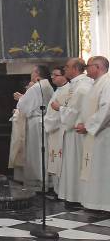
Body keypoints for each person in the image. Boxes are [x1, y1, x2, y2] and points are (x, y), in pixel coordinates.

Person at [56, 58, 93, 204]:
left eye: (67, 66)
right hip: (73, 130)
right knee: (72, 164)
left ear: (75, 69)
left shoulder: (82, 87)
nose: (65, 69)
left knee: (76, 165)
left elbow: (73, 112)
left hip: (77, 132)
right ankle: (73, 196)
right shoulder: (77, 85)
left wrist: (59, 108)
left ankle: (76, 197)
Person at [10, 65, 53, 187]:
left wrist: (20, 98)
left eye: (32, 72)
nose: (31, 74)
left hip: (35, 124)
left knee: (35, 153)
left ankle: (36, 182)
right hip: (44, 121)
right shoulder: (48, 86)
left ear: (37, 73)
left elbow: (24, 106)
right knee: (42, 152)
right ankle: (45, 181)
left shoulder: (36, 87)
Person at [77, 56, 110, 211]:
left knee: (103, 169)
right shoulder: (96, 83)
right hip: (96, 134)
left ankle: (104, 205)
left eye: (88, 66)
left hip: (104, 135)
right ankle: (96, 203)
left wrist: (89, 126)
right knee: (96, 169)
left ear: (97, 67)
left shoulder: (107, 82)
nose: (85, 69)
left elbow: (106, 108)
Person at [44, 66, 69, 191]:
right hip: (53, 130)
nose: (52, 77)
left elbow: (61, 113)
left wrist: (48, 123)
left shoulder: (68, 91)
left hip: (59, 130)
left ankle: (60, 191)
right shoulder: (58, 90)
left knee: (59, 161)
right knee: (54, 160)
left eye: (55, 74)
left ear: (64, 76)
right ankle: (56, 189)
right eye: (51, 74)